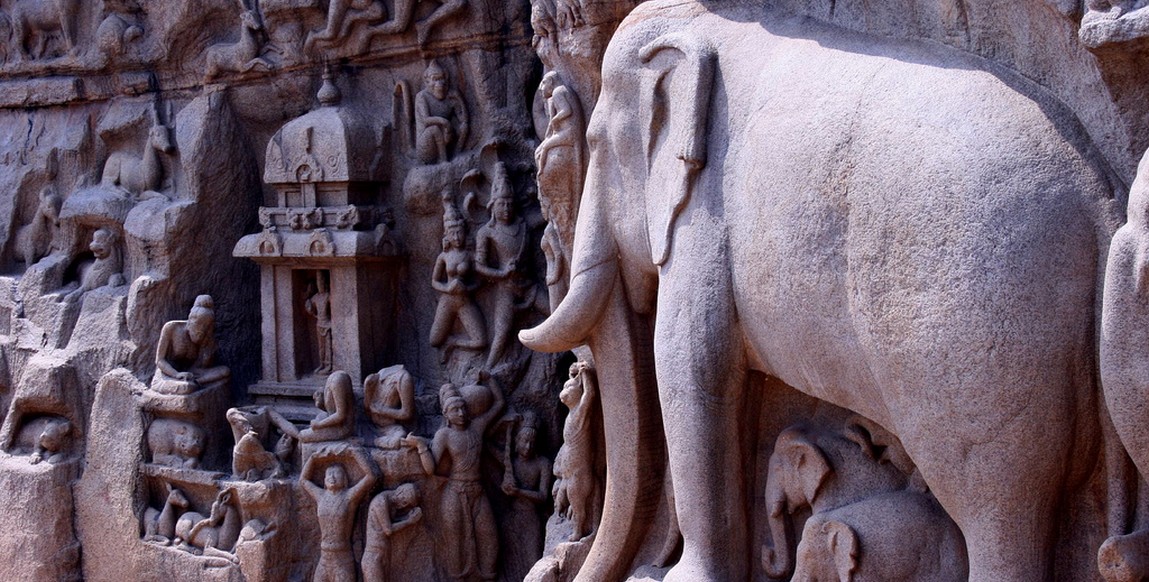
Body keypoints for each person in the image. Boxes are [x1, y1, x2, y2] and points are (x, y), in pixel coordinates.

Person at [402, 373, 505, 581]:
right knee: (454, 540)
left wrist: (489, 380)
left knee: (490, 537)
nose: (461, 413)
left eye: (463, 408)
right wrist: (421, 446)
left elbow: (499, 404)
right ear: (446, 415)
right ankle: (456, 578)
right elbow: (431, 469)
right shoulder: (444, 435)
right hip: (455, 492)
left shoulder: (477, 426)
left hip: (477, 490)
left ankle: (488, 576)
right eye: (454, 410)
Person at [474, 163, 530, 368]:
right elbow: (479, 266)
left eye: (509, 204)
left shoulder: (523, 226)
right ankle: (488, 369)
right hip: (505, 288)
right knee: (502, 332)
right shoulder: (486, 233)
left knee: (554, 312)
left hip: (528, 285)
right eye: (501, 204)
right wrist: (502, 273)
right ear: (492, 206)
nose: (506, 209)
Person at [300, 445, 378, 582]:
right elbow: (303, 480)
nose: (332, 477)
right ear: (324, 480)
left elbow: (371, 476)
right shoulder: (320, 495)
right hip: (324, 558)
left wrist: (355, 453)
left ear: (344, 480)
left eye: (337, 474)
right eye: (329, 474)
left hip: (342, 559)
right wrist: (312, 458)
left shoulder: (349, 497)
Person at [430, 194, 486, 358]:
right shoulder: (444, 256)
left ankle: (454, 342)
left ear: (464, 232)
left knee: (480, 341)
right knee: (434, 340)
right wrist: (447, 288)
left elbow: (480, 280)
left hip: (464, 301)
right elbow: (434, 281)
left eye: (459, 233)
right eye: (452, 234)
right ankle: (446, 341)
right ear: (447, 234)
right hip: (447, 301)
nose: (456, 238)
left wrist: (467, 288)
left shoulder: (470, 255)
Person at [500, 413, 552, 579]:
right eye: (524, 441)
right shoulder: (510, 463)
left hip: (531, 519)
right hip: (512, 518)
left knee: (532, 558)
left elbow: (543, 496)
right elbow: (485, 446)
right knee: (511, 561)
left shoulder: (543, 464)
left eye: (532, 442)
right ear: (517, 441)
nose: (528, 446)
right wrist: (505, 426)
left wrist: (519, 492)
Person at [151, 295, 230, 394]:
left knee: (225, 371)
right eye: (198, 325)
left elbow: (200, 367)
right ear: (191, 321)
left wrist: (207, 349)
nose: (201, 331)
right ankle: (191, 384)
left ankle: (197, 383)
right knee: (185, 388)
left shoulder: (206, 338)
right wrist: (176, 374)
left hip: (190, 374)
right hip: (168, 374)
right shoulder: (172, 328)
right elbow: (159, 360)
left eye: (205, 327)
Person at [362, 483, 423, 582]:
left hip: (384, 552)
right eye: (405, 501)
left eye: (406, 503)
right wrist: (409, 521)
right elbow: (388, 530)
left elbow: (391, 522)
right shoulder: (381, 502)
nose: (403, 505)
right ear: (400, 491)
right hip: (373, 555)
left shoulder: (392, 503)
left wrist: (408, 517)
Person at [415, 61, 468, 164]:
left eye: (441, 79)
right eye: (435, 79)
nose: (439, 83)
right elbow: (426, 120)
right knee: (434, 129)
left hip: (446, 139)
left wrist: (459, 99)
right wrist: (445, 123)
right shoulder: (422, 96)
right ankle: (442, 159)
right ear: (427, 82)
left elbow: (464, 120)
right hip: (425, 146)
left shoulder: (450, 97)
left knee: (463, 128)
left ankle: (456, 155)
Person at [364, 365, 415, 449]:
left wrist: (380, 410)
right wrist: (367, 390)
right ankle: (370, 440)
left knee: (399, 438)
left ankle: (374, 441)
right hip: (370, 424)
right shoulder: (377, 376)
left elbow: (407, 413)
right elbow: (367, 408)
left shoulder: (404, 378)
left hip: (391, 428)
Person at [299, 371, 357, 443]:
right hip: (337, 420)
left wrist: (319, 425)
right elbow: (333, 410)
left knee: (302, 435)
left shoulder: (336, 382)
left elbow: (341, 415)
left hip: (343, 427)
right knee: (317, 420)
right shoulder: (330, 384)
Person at [304, 271, 334, 375]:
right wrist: (310, 309)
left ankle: (329, 365)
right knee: (321, 347)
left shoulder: (328, 295)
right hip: (319, 323)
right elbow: (308, 304)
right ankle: (322, 364)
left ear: (325, 283)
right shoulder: (316, 297)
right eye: (318, 282)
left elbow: (336, 305)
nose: (320, 284)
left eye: (322, 281)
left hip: (328, 324)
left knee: (328, 346)